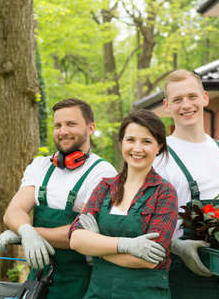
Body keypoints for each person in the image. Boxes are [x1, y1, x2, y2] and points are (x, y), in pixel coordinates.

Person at [0, 98, 117, 299]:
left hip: (80, 282)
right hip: (38, 280)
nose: (63, 131)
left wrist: (29, 233)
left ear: (91, 128)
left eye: (71, 124)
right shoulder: (40, 166)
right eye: (58, 125)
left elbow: (82, 232)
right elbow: (13, 211)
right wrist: (25, 231)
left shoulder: (103, 173)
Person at [153, 69, 219, 299]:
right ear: (167, 106)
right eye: (177, 99)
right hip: (180, 276)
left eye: (192, 96)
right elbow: (143, 220)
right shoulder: (157, 157)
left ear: (204, 98)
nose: (186, 105)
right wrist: (175, 246)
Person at [69, 109, 178, 299]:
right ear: (121, 143)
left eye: (146, 141)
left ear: (159, 146)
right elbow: (76, 240)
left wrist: (96, 243)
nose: (137, 148)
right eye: (131, 140)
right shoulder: (104, 188)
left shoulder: (164, 193)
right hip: (99, 293)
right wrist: (125, 245)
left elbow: (151, 258)